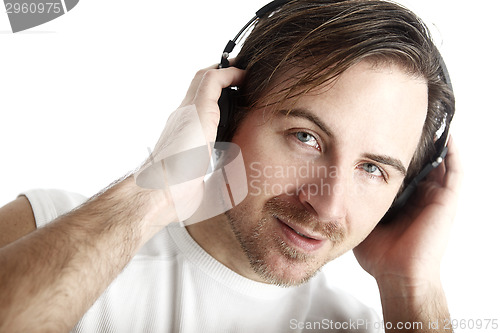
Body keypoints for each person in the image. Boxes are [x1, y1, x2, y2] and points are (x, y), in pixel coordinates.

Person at [0, 0, 462, 332]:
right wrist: (153, 190)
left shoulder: (362, 326)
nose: (327, 205)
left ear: (402, 193)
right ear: (226, 118)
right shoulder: (42, 230)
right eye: (306, 137)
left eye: (373, 169)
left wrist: (410, 288)